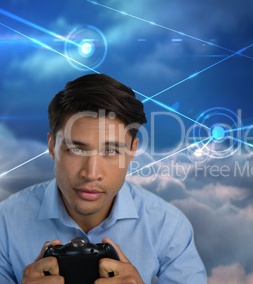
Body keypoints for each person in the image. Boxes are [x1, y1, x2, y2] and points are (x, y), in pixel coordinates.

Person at [0, 74, 206, 283]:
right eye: (76, 149)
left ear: (132, 151)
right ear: (52, 146)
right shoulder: (5, 224)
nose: (91, 173)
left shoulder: (168, 227)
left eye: (111, 150)